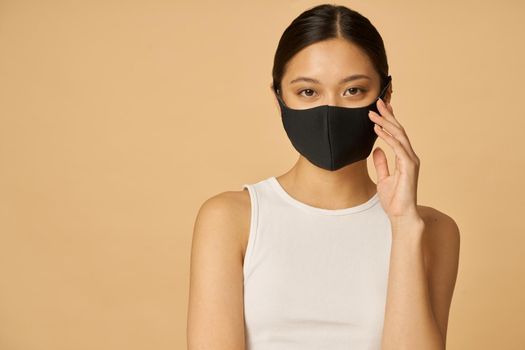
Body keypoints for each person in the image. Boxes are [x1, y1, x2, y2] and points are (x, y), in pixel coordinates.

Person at [187, 4, 460, 350]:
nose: (329, 110)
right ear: (279, 98)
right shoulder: (230, 219)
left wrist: (404, 225)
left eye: (353, 91)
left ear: (385, 96)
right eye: (308, 92)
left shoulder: (434, 230)